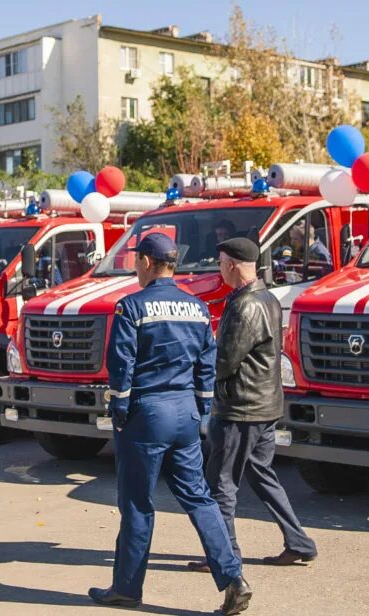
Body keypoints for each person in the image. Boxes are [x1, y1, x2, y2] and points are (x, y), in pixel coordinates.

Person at [89, 233, 252, 615]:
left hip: (145, 415)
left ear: (147, 262)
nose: (135, 268)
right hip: (184, 415)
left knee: (137, 504)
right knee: (199, 497)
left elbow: (121, 365)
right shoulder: (196, 308)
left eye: (136, 261)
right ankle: (233, 578)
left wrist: (120, 412)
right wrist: (200, 411)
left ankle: (127, 589)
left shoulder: (131, 306)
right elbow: (206, 364)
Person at [188, 237, 317, 574]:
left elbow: (226, 361)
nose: (218, 269)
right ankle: (299, 543)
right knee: (261, 475)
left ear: (231, 264)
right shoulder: (267, 297)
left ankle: (224, 555)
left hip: (240, 408)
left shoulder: (245, 305)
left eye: (219, 263)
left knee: (221, 484)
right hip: (265, 404)